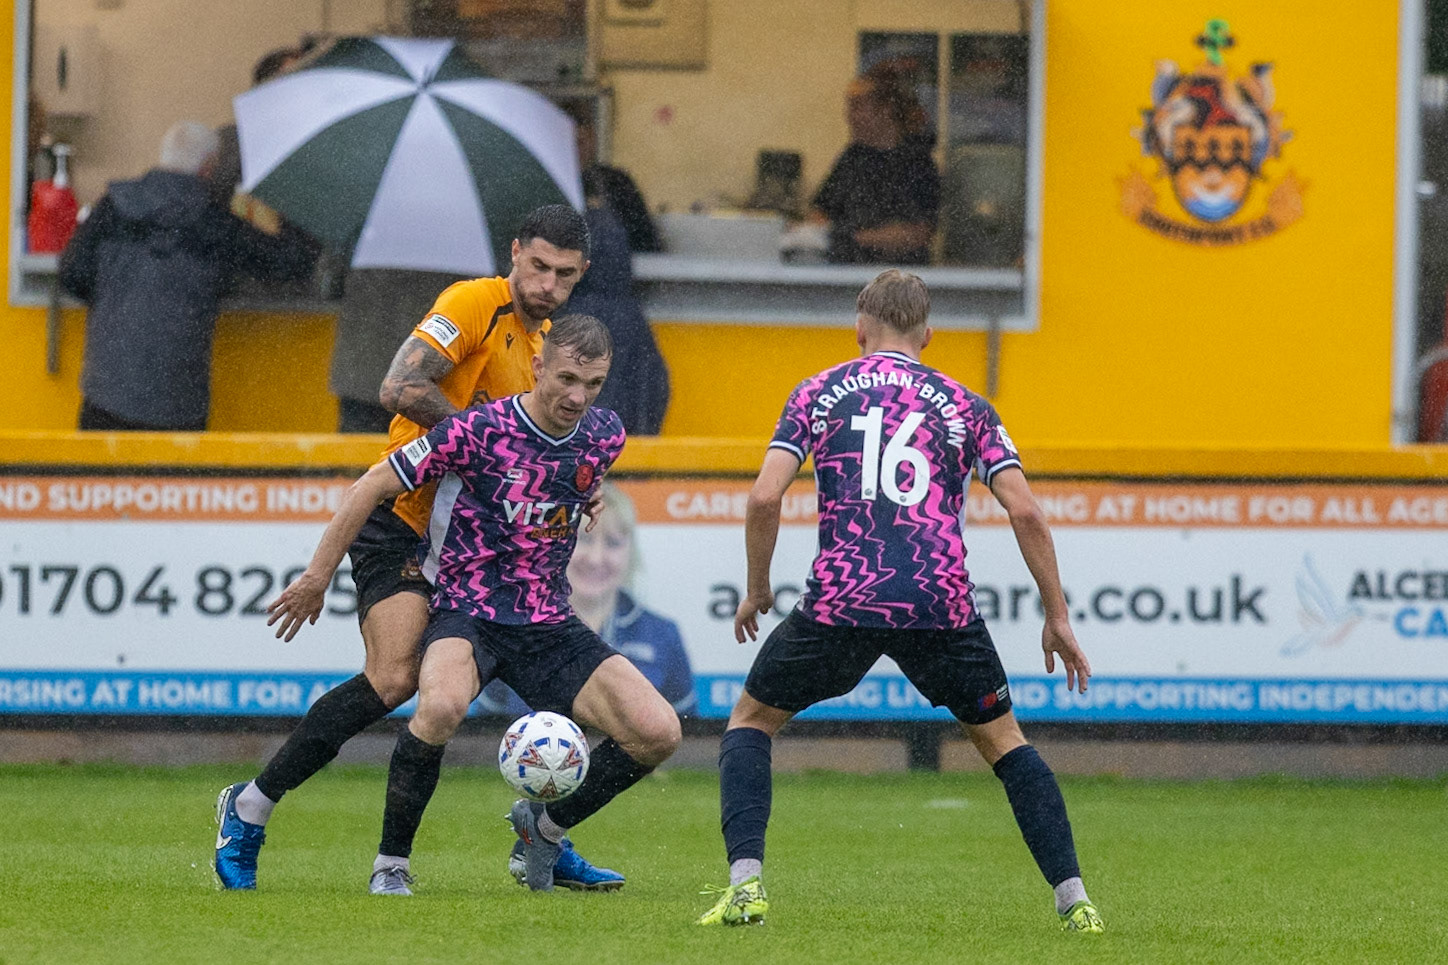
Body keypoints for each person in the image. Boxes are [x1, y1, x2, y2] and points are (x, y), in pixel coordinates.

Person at [213, 205, 618, 891]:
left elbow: (546, 443)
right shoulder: (474, 303)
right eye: (539, 266)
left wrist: (566, 481)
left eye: (565, 275)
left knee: (533, 660)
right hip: (404, 518)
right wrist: (492, 446)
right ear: (515, 252)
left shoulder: (547, 342)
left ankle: (542, 837)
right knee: (396, 677)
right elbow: (398, 384)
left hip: (475, 543)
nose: (548, 284)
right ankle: (250, 805)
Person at [696, 270, 1104, 934]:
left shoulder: (818, 392)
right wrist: (1056, 614)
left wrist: (758, 587)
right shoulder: (968, 405)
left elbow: (765, 496)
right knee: (1003, 740)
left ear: (861, 328)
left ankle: (746, 886)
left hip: (844, 596)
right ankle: (1075, 900)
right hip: (939, 599)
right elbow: (1025, 509)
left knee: (750, 721)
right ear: (928, 334)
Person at [265, 314, 682, 897]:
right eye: (565, 379)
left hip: (546, 621)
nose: (577, 396)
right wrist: (317, 573)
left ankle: (543, 831)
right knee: (438, 707)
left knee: (659, 731)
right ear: (538, 366)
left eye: (592, 384)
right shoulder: (478, 430)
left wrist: (582, 497)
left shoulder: (604, 433)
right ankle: (392, 864)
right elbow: (370, 486)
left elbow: (574, 477)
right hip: (468, 611)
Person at [60, 121, 316, 431]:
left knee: (99, 478)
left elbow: (72, 273)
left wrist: (120, 302)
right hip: (177, 401)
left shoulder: (113, 207)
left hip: (106, 390)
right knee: (175, 480)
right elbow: (292, 262)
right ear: (209, 167)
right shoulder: (215, 223)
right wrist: (293, 192)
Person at [482, 480, 697, 720]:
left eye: (613, 543)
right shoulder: (513, 622)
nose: (596, 559)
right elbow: (484, 730)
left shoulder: (663, 634)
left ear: (630, 551)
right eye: (584, 540)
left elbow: (683, 733)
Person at [811, 72, 941, 265]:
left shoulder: (917, 163)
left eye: (857, 107)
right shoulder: (852, 157)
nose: (849, 117)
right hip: (845, 275)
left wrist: (847, 237)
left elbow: (916, 235)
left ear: (885, 110)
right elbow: (819, 211)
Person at [567, 203, 670, 434]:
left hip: (576, 450)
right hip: (622, 445)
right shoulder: (633, 316)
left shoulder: (567, 313)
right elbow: (654, 384)